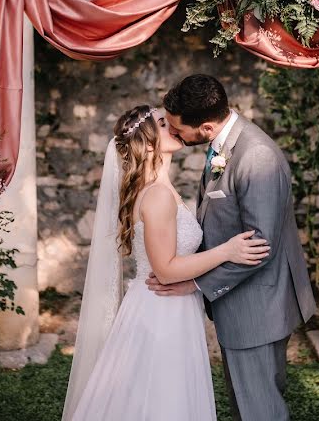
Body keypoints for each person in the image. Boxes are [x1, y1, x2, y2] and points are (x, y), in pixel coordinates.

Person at [62, 104, 270, 421]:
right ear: (148, 144)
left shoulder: (162, 188)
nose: (173, 123)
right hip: (160, 313)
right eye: (163, 122)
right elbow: (166, 270)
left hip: (171, 306)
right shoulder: (157, 195)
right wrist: (227, 251)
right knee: (162, 400)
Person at [148, 74, 316, 421]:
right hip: (240, 303)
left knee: (259, 410)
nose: (175, 134)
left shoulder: (256, 156)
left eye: (179, 129)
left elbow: (259, 246)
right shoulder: (224, 145)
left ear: (207, 127)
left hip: (257, 306)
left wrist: (194, 283)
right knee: (246, 406)